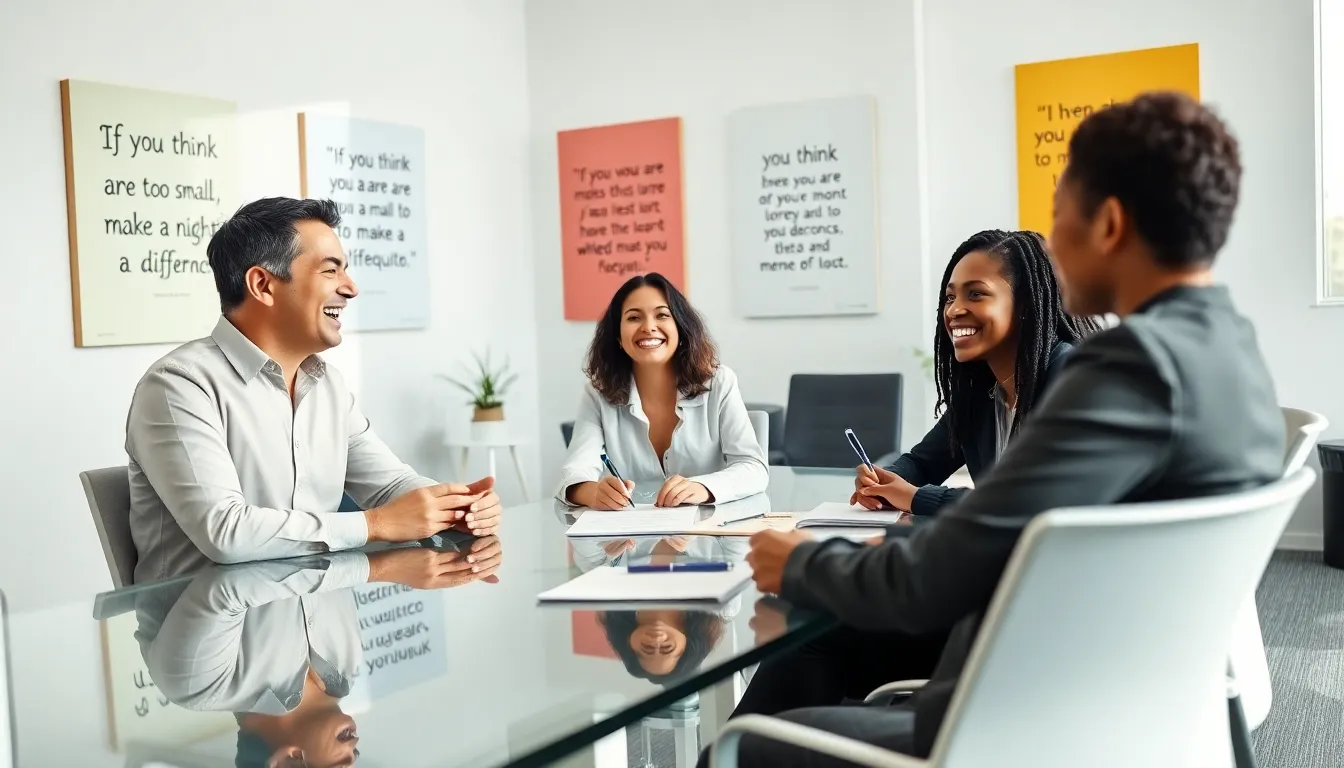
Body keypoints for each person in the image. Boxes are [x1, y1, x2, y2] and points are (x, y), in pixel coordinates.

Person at [719, 90, 1286, 765]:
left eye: (1058, 217)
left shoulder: (1130, 371)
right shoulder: (1230, 351)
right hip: (1126, 687)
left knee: (748, 743)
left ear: (1107, 223)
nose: (1052, 244)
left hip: (1031, 708)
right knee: (818, 650)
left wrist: (802, 562)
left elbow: (946, 570)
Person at [126, 197, 502, 584]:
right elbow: (225, 533)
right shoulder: (178, 386)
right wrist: (376, 525)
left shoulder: (329, 386)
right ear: (262, 285)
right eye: (330, 270)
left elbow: (390, 485)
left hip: (320, 614)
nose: (351, 288)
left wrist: (458, 506)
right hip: (215, 625)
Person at [851, 229, 1101, 515]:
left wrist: (916, 497)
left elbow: (1031, 500)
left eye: (976, 294)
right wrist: (881, 480)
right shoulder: (981, 392)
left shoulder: (1072, 380)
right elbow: (922, 463)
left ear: (1026, 303)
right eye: (949, 297)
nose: (955, 310)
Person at [555, 273, 768, 509]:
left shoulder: (719, 383)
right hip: (631, 540)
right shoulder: (598, 394)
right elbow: (573, 473)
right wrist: (593, 492)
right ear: (618, 336)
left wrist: (702, 488)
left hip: (709, 537)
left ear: (680, 327)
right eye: (634, 317)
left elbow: (753, 468)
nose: (648, 327)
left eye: (662, 315)